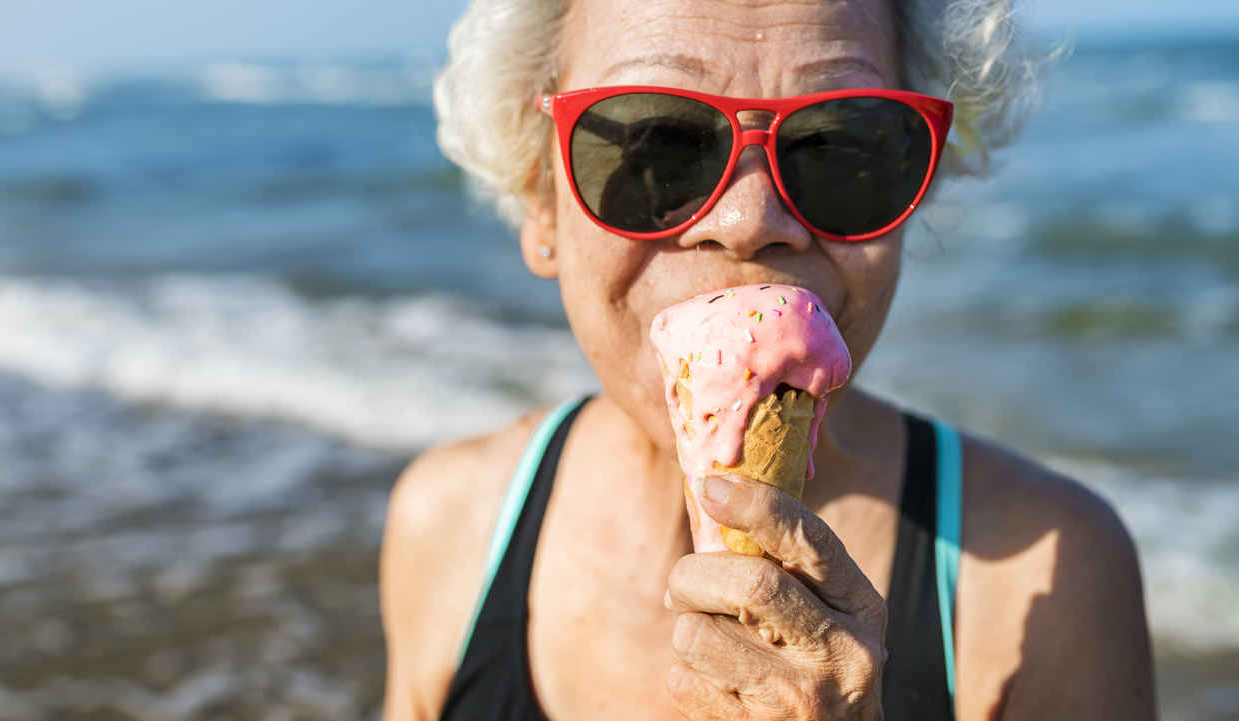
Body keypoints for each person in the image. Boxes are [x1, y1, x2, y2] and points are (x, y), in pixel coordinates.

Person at [382, 0, 1157, 719]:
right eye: (660, 145)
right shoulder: (452, 524)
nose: (751, 220)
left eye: (838, 146)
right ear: (539, 195)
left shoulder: (1049, 572)